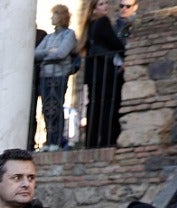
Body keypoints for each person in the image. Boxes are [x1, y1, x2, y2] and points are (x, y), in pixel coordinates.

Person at [35, 6, 79, 150]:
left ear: (61, 16)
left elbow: (61, 53)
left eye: (54, 14)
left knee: (55, 107)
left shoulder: (69, 34)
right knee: (46, 109)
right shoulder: (49, 37)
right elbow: (35, 54)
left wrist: (46, 57)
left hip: (59, 75)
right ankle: (48, 141)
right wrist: (49, 52)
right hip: (45, 75)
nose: (51, 18)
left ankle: (57, 141)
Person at [83, 0, 126, 147]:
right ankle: (107, 140)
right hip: (105, 72)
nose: (106, 6)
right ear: (94, 9)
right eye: (101, 4)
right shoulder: (103, 22)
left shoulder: (87, 27)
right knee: (108, 105)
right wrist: (126, 55)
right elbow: (115, 43)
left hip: (93, 74)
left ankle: (91, 141)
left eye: (106, 3)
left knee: (94, 106)